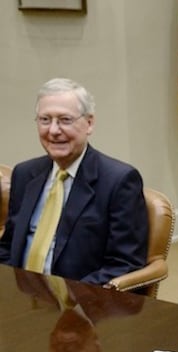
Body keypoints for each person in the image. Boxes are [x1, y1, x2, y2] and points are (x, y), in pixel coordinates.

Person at [0, 78, 148, 286]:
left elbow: (125, 263)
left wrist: (73, 299)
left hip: (77, 306)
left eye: (65, 120)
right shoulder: (24, 174)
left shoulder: (119, 181)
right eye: (44, 119)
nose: (53, 130)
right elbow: (8, 247)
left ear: (89, 123)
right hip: (20, 299)